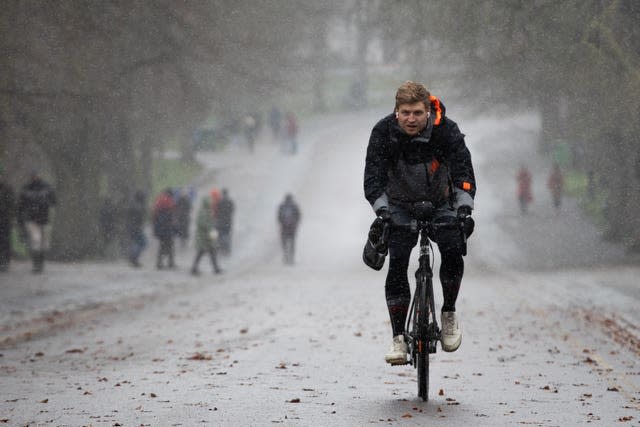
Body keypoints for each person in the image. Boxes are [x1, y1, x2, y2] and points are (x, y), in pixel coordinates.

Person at [363, 81, 476, 364]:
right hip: (399, 205)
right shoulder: (382, 133)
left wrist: (463, 208)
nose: (411, 119)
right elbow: (373, 179)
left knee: (451, 247)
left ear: (428, 111)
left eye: (416, 113)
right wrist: (382, 210)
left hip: (441, 203)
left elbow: (463, 172)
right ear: (396, 112)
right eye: (405, 113)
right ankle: (398, 337)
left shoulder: (447, 131)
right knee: (398, 259)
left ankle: (448, 312)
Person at [17, 171, 57, 273]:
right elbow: (21, 206)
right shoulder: (27, 189)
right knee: (36, 240)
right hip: (32, 219)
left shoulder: (46, 188)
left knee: (44, 243)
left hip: (44, 218)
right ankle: (36, 264)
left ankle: (40, 264)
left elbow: (54, 201)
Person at [190, 198, 222, 275]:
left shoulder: (207, 212)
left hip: (206, 237)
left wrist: (213, 232)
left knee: (211, 252)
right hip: (203, 237)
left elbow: (210, 224)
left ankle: (215, 268)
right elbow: (205, 224)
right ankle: (194, 268)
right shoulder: (203, 212)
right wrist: (212, 233)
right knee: (202, 252)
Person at [152, 188, 177, 269]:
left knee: (162, 245)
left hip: (160, 228)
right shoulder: (169, 202)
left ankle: (160, 263)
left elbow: (154, 216)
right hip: (167, 228)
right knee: (169, 245)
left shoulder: (159, 201)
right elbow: (171, 216)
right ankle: (170, 263)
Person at [277, 193, 301, 265]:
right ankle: (290, 257)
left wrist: (281, 223)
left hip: (285, 227)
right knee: (291, 242)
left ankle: (287, 256)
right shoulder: (294, 206)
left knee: (285, 242)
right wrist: (295, 224)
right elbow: (298, 216)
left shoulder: (282, 206)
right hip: (291, 228)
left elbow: (279, 217)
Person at [0, 166, 15, 272]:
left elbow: (12, 204)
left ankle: (5, 261)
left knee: (5, 240)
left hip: (4, 219)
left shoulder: (7, 189)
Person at [126, 190, 147, 268]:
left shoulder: (133, 204)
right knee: (142, 243)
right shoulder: (138, 207)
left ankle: (133, 257)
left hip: (132, 227)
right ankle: (133, 257)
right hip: (136, 227)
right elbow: (138, 218)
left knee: (137, 242)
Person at [215, 188, 235, 256]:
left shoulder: (219, 202)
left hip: (220, 222)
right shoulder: (230, 202)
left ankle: (221, 248)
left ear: (222, 194)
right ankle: (227, 248)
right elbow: (232, 211)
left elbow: (216, 212)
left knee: (220, 235)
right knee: (227, 235)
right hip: (228, 222)